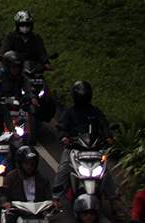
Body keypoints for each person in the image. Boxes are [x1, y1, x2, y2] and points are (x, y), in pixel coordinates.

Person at [53, 81, 121, 214]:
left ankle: (114, 205)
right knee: (65, 168)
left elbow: (104, 125)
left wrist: (108, 137)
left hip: (94, 149)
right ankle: (56, 200)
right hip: (74, 148)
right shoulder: (69, 111)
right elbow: (63, 126)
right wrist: (64, 137)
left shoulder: (96, 112)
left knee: (105, 171)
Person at [0, 146, 52, 223]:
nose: (29, 166)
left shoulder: (42, 179)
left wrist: (54, 202)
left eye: (32, 164)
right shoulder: (11, 177)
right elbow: (3, 194)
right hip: (18, 212)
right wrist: (5, 202)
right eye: (26, 163)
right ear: (20, 164)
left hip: (38, 213)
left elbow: (48, 196)